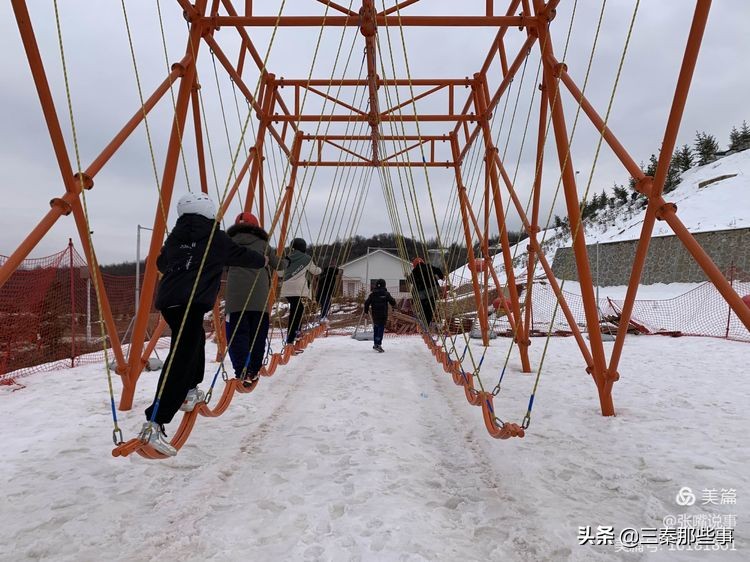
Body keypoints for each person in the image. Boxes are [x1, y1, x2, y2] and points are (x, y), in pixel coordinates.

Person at [141, 193, 268, 456]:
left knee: (194, 341)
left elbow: (162, 262)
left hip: (170, 302)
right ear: (211, 213)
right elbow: (243, 256)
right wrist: (263, 260)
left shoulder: (175, 238)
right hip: (192, 303)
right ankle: (155, 422)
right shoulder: (216, 239)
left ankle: (188, 391)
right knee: (181, 356)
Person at [225, 212, 286, 387]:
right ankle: (253, 369)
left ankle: (241, 370)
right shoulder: (263, 245)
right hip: (259, 297)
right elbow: (279, 265)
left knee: (237, 334)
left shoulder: (228, 244)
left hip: (235, 297)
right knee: (258, 333)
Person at [280, 238, 321, 346]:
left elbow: (280, 273)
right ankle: (292, 337)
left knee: (297, 308)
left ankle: (296, 333)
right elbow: (315, 271)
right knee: (297, 310)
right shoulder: (306, 258)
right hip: (298, 289)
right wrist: (321, 270)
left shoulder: (287, 258)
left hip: (286, 288)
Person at [409, 257, 444, 328]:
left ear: (414, 265)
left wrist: (413, 298)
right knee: (431, 307)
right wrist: (442, 277)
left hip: (423, 293)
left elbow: (412, 283)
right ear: (422, 262)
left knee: (424, 307)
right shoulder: (428, 266)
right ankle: (427, 323)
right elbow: (438, 270)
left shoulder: (414, 271)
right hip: (433, 290)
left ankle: (424, 324)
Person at [364, 278, 396, 353]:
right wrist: (394, 305)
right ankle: (378, 344)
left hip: (375, 314)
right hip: (383, 314)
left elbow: (366, 303)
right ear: (384, 285)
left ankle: (375, 344)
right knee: (380, 329)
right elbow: (392, 301)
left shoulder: (372, 294)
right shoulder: (386, 294)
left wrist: (366, 312)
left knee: (376, 328)